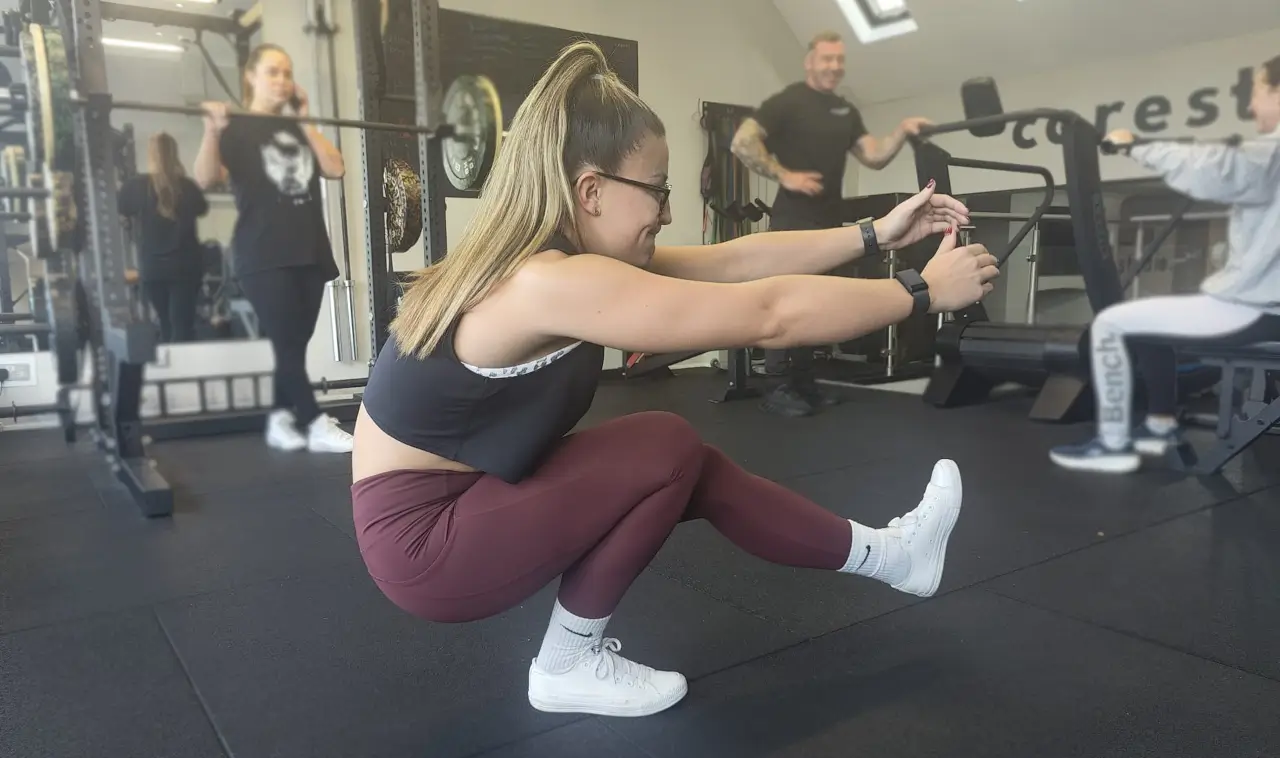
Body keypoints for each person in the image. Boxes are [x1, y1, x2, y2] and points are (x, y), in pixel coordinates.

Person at [351, 41, 999, 719]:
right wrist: (920, 292)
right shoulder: (548, 282)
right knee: (663, 446)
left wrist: (875, 233)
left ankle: (895, 556)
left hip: (462, 498)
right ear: (591, 191)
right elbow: (768, 314)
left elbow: (734, 261)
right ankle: (566, 663)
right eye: (656, 191)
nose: (664, 211)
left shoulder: (552, 257)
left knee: (695, 468)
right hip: (426, 545)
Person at [1050, 54, 1280, 474]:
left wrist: (1135, 145)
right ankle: (1159, 424)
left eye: (1259, 92)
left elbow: (1210, 169)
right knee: (1151, 324)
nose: (1251, 107)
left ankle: (1114, 444)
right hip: (1263, 307)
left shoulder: (1271, 153)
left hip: (1254, 310)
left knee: (1110, 323)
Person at [731, 30, 933, 417]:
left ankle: (805, 384)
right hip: (792, 220)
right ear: (810, 62)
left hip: (829, 223)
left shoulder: (845, 111)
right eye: (827, 59)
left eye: (840, 60)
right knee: (784, 301)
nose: (835, 67)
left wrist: (903, 130)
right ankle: (777, 387)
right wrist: (783, 175)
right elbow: (743, 142)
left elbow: (873, 156)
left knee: (814, 303)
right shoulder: (787, 102)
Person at [193, 43, 353, 454]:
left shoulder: (297, 128)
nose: (281, 81)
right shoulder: (234, 126)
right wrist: (211, 131)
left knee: (293, 343)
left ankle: (280, 417)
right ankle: (315, 423)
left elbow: (335, 168)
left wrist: (306, 120)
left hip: (310, 248)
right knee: (286, 341)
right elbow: (206, 179)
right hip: (263, 253)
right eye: (272, 72)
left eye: (286, 72)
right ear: (251, 76)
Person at [118, 133, 208, 343]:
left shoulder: (135, 186)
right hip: (185, 267)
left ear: (150, 155)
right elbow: (202, 209)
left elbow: (122, 213)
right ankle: (187, 370)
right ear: (174, 154)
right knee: (183, 325)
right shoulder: (189, 187)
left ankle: (173, 370)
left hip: (153, 267)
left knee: (166, 324)